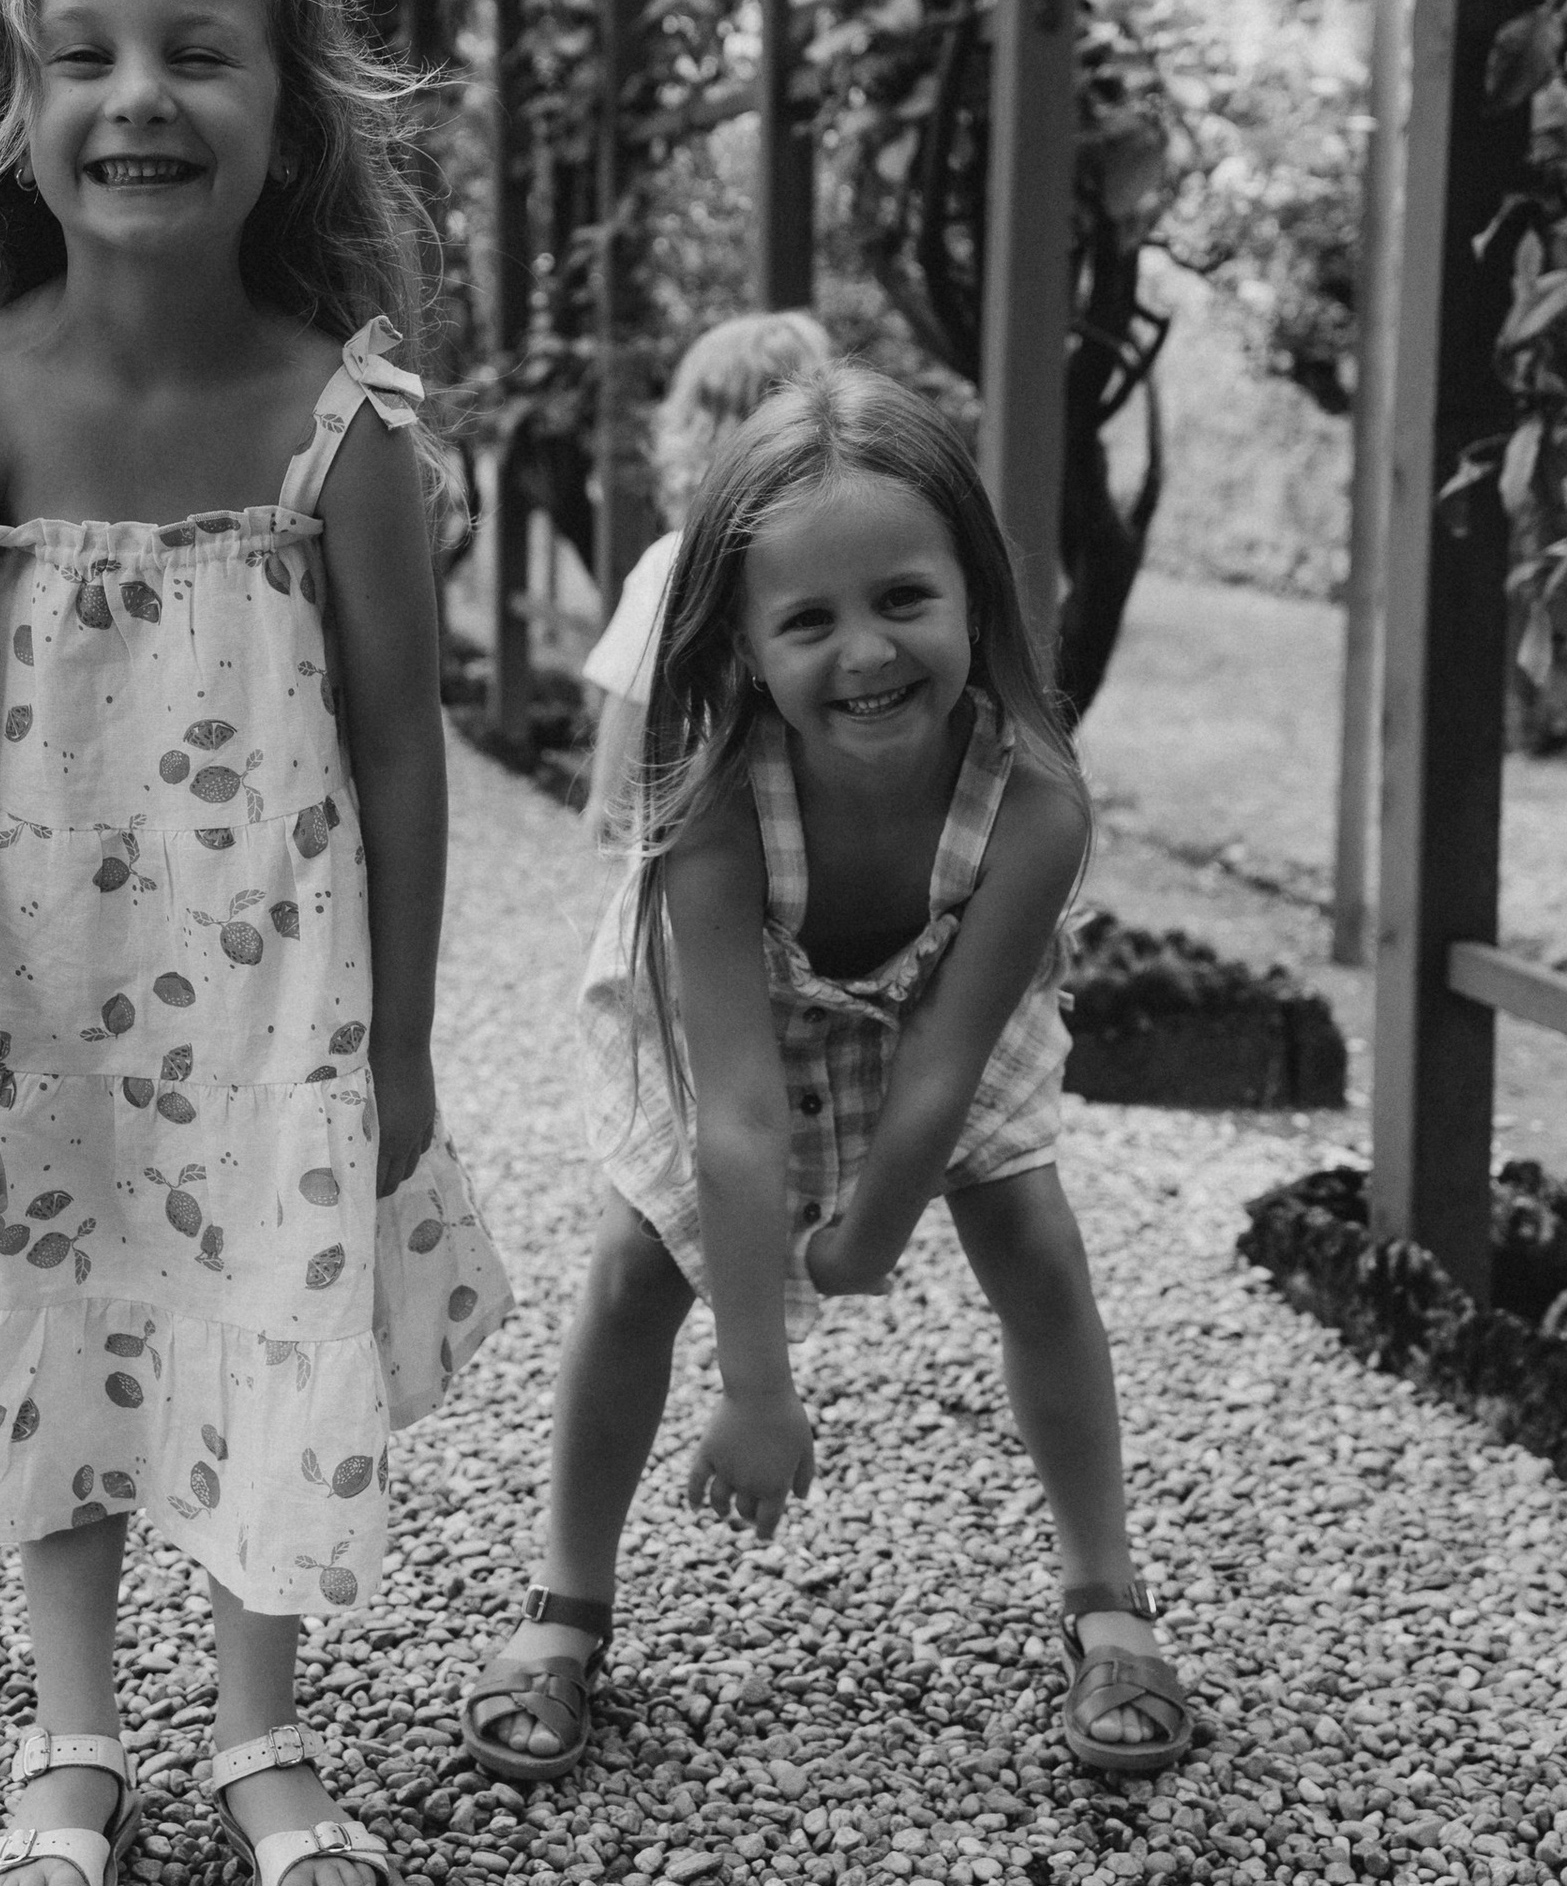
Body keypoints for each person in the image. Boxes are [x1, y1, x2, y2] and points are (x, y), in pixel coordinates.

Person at [0, 0, 508, 1886]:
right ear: (11, 108)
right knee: (65, 1339)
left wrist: (399, 1041)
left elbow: (402, 743)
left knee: (259, 1321)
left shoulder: (342, 420)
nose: (139, 99)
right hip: (50, 984)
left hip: (273, 988)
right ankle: (65, 1739)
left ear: (285, 104)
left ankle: (255, 1731)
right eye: (81, 57)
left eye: (197, 53)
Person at [461, 365, 1193, 1788]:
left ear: (976, 592)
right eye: (808, 620)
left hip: (936, 1022)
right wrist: (757, 1384)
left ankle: (1108, 1597)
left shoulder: (1032, 801)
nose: (865, 653)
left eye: (904, 600)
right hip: (751, 1031)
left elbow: (948, 1063)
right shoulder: (719, 812)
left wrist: (868, 1236)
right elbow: (737, 1120)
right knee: (630, 1273)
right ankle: (566, 1603)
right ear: (739, 643)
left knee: (1039, 1249)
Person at [579, 308, 832, 841]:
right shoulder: (836, 558)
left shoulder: (676, 562)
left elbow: (628, 694)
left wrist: (604, 803)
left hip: (700, 822)